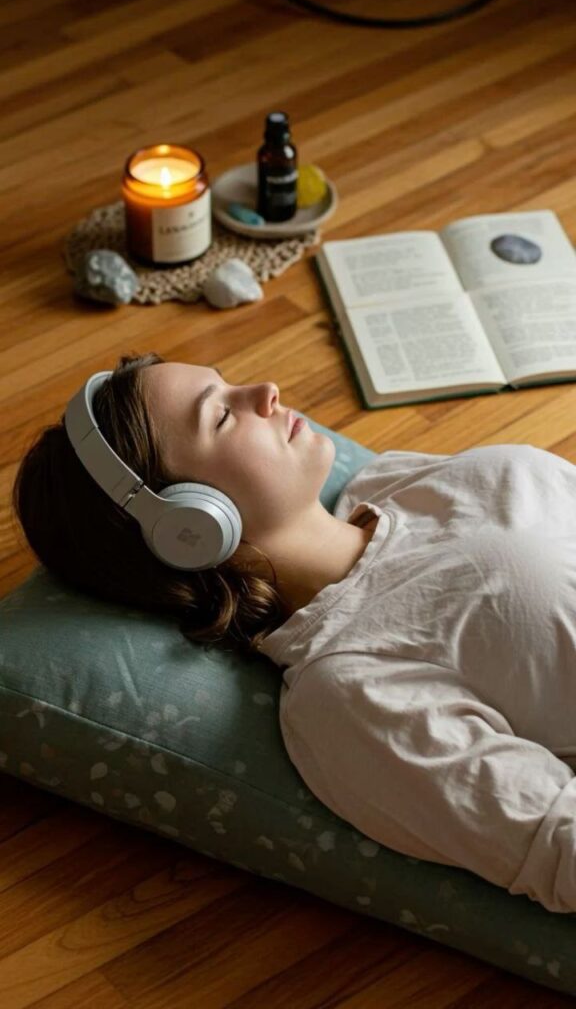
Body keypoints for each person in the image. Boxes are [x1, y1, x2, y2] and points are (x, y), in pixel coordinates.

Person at [12, 350, 576, 915]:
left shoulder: (398, 479)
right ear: (189, 525)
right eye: (222, 415)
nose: (266, 389)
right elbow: (559, 844)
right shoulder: (348, 690)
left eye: (228, 382)